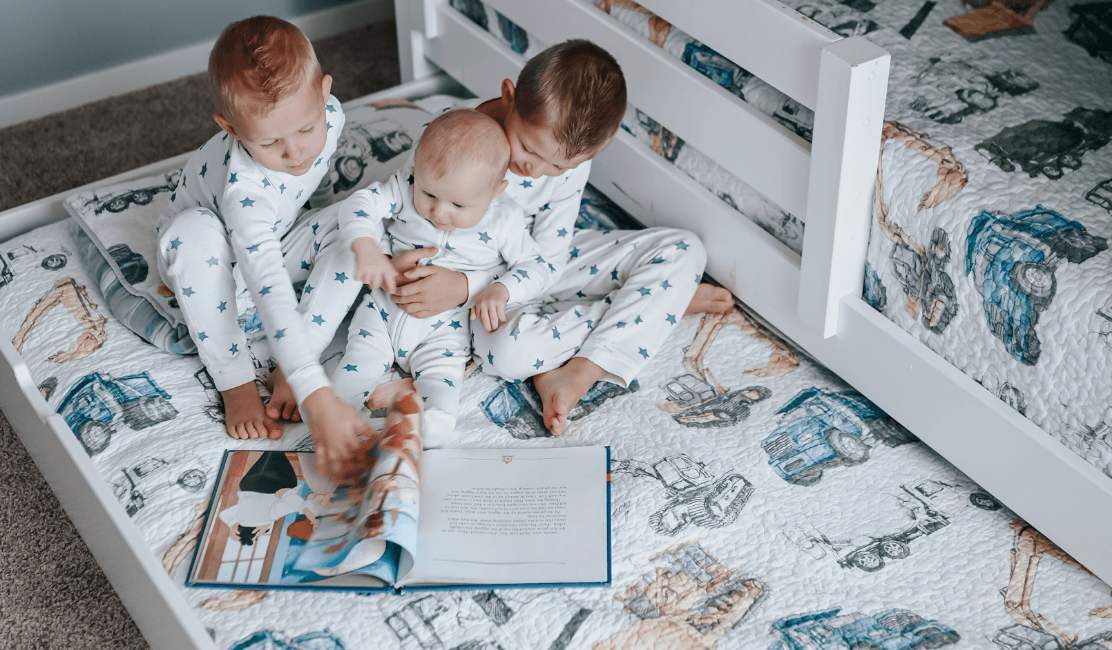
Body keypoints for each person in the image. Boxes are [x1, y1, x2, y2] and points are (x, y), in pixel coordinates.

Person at [386, 39, 733, 435]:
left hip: (527, 270)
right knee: (509, 354)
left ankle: (591, 362)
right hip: (468, 276)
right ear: (509, 97)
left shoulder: (564, 165)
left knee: (684, 251)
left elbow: (550, 257)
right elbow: (401, 219)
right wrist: (465, 285)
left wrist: (481, 286)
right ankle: (657, 304)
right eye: (530, 151)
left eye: (558, 167)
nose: (537, 171)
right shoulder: (452, 136)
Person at [156, 16, 370, 477]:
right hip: (218, 260)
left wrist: (327, 210)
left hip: (279, 235)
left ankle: (295, 356)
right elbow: (267, 284)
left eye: (306, 129)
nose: (296, 153)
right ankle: (236, 382)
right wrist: (312, 383)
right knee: (192, 233)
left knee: (360, 221)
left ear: (325, 91)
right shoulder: (244, 192)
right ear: (230, 128)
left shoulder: (331, 116)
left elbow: (320, 176)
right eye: (270, 142)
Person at [330, 109, 551, 448]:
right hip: (384, 310)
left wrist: (501, 289)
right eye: (430, 194)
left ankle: (424, 428)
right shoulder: (406, 186)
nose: (438, 212)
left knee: (441, 387)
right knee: (356, 367)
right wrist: (366, 246)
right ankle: (333, 419)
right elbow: (359, 203)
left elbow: (538, 267)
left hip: (445, 329)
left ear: (496, 191)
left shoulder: (504, 220)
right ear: (417, 170)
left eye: (459, 205)